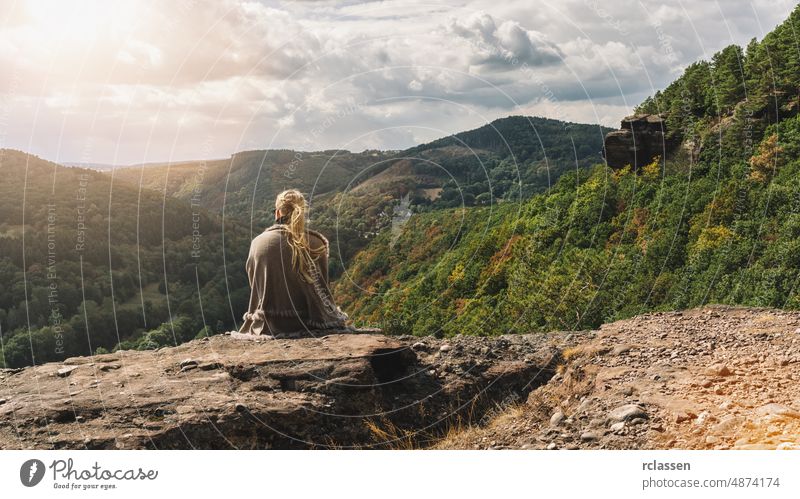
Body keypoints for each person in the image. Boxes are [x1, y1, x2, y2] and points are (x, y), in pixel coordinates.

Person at [238, 189, 349, 336]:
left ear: (277, 213)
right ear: (302, 212)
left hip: (268, 326)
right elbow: (323, 289)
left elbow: (256, 285)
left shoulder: (257, 243)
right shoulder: (317, 243)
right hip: (311, 324)